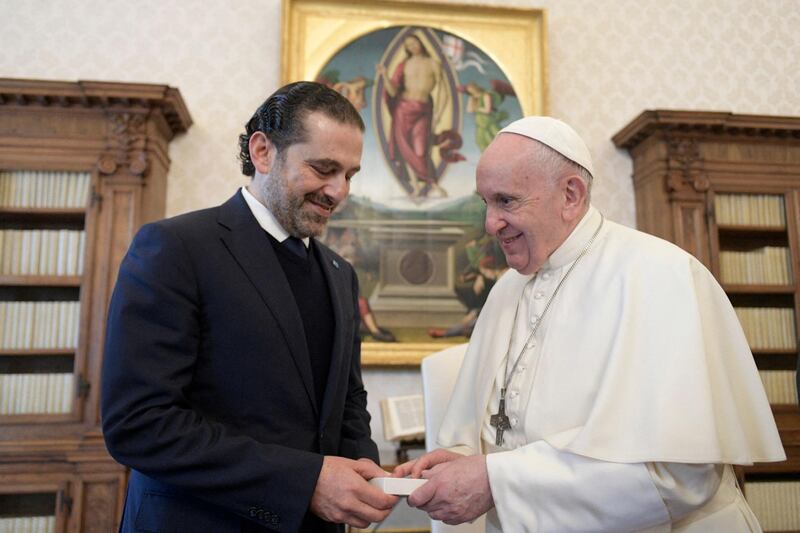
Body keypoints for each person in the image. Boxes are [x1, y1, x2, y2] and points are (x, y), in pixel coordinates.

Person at [394, 116, 786, 531]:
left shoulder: (659, 275)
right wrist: (466, 462)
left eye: (506, 201)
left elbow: (677, 478)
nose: (490, 224)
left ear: (570, 194)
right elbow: (495, 433)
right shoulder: (506, 292)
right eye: (485, 203)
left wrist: (496, 480)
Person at [101, 81, 398, 533]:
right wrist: (306, 482)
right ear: (263, 152)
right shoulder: (175, 248)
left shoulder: (341, 273)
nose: (339, 192)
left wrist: (364, 469)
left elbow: (349, 402)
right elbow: (139, 425)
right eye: (323, 168)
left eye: (350, 175)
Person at [376, 33, 449, 198]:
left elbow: (444, 92)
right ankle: (416, 187)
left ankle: (434, 184)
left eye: (414, 43)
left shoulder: (433, 63)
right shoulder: (404, 64)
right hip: (403, 109)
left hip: (422, 110)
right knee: (405, 150)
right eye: (408, 46)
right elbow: (393, 91)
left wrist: (439, 114)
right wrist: (384, 75)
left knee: (421, 150)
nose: (412, 47)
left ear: (421, 43)